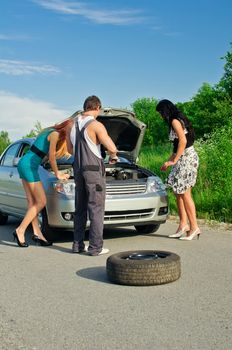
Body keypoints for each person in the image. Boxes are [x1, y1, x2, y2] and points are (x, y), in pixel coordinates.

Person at [66, 95, 118, 256]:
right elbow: (112, 147)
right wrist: (113, 156)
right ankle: (96, 247)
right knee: (96, 208)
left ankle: (77, 245)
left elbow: (69, 150)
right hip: (93, 171)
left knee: (80, 208)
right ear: (97, 107)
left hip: (78, 170)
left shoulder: (71, 126)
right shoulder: (96, 125)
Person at [14, 120, 71, 247]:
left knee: (32, 202)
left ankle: (37, 233)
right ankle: (20, 230)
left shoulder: (48, 131)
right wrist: (57, 174)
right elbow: (51, 157)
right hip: (29, 166)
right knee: (41, 202)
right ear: (66, 127)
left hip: (25, 163)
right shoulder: (55, 134)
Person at [156, 99, 200, 240]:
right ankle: (183, 225)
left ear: (165, 111)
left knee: (185, 193)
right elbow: (177, 146)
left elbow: (183, 141)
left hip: (187, 158)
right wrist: (170, 161)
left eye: (160, 113)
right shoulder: (176, 120)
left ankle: (194, 227)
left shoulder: (175, 121)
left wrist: (174, 160)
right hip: (181, 158)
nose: (160, 116)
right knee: (177, 192)